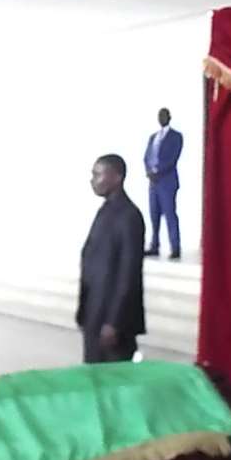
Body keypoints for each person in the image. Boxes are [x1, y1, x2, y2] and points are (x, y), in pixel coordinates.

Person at [77, 154, 145, 363]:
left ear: (116, 177)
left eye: (98, 174)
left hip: (112, 322)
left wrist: (114, 322)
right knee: (93, 374)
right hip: (95, 312)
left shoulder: (129, 216)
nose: (93, 180)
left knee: (113, 377)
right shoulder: (106, 211)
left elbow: (128, 273)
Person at [143, 108, 183, 260]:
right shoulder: (153, 137)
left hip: (167, 182)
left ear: (169, 117)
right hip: (153, 182)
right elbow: (147, 156)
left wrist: (158, 171)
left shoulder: (176, 136)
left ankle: (175, 247)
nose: (161, 118)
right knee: (154, 214)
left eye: (164, 115)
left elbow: (173, 158)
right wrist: (149, 171)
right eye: (159, 116)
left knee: (170, 214)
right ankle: (154, 245)